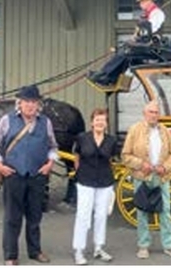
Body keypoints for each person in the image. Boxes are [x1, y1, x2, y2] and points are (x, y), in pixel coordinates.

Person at [0, 85, 59, 265]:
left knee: (35, 217)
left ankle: (35, 251)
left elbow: (53, 147)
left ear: (38, 104)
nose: (30, 105)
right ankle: (11, 255)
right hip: (13, 175)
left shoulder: (46, 122)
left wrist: (50, 163)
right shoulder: (7, 120)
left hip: (37, 176)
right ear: (20, 103)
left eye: (34, 102)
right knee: (12, 217)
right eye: (27, 101)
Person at [121, 101, 171, 260]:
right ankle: (143, 246)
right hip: (142, 176)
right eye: (151, 112)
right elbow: (125, 155)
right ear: (144, 113)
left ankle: (169, 245)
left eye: (156, 112)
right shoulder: (135, 130)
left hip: (162, 176)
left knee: (166, 211)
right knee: (142, 212)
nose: (154, 115)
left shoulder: (165, 132)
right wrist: (142, 164)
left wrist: (166, 167)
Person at [71, 108, 118, 265]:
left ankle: (99, 247)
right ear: (92, 122)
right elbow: (77, 156)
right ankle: (79, 250)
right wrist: (79, 171)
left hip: (104, 181)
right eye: (97, 120)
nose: (100, 123)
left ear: (106, 123)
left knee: (101, 215)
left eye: (103, 120)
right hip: (85, 181)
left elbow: (111, 160)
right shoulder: (82, 138)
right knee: (83, 215)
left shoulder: (111, 140)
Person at [88, 0, 166, 89]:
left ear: (149, 1)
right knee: (125, 53)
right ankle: (111, 78)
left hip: (151, 44)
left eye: (142, 2)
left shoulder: (157, 13)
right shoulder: (148, 14)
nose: (140, 4)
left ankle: (103, 74)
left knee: (125, 52)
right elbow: (141, 32)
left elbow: (148, 31)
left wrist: (136, 38)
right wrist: (133, 38)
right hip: (145, 42)